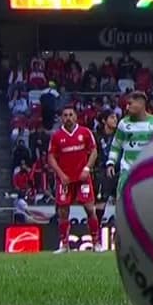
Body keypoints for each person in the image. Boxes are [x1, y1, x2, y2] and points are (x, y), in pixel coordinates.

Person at [48, 105, 99, 253]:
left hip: (83, 178)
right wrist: (61, 174)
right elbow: (51, 157)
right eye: (65, 115)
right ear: (61, 118)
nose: (68, 118)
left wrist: (87, 168)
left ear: (76, 117)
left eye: (71, 115)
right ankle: (64, 245)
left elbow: (94, 152)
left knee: (90, 209)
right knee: (63, 211)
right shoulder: (56, 136)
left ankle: (96, 243)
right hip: (65, 180)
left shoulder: (85, 132)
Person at [106, 91, 153, 204]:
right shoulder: (123, 124)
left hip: (149, 171)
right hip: (127, 170)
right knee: (123, 203)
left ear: (141, 103)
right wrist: (111, 163)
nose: (127, 107)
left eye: (130, 104)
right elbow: (116, 145)